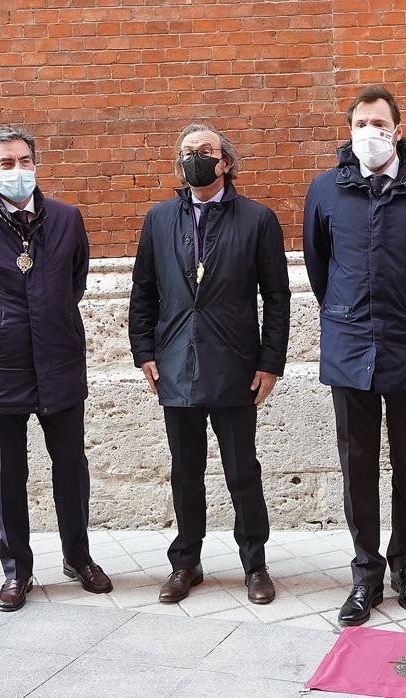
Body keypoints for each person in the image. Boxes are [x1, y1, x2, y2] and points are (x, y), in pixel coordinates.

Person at [303, 85, 406, 627]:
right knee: (357, 466)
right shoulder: (326, 190)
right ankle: (365, 572)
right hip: (349, 346)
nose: (371, 132)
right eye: (361, 123)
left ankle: (405, 565)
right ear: (350, 132)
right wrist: (349, 313)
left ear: (398, 128)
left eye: (379, 123)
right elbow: (319, 269)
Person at [0, 125, 111, 611]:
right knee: (5, 475)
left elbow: (72, 283)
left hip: (58, 363)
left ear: (36, 164)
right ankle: (18, 572)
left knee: (71, 470)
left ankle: (79, 557)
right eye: (7, 164)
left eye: (25, 161)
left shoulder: (67, 219)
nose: (18, 171)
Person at [129, 123, 290, 605]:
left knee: (242, 469)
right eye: (186, 152)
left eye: (205, 151)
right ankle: (186, 563)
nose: (194, 158)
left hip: (236, 363)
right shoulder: (158, 220)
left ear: (225, 162)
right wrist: (144, 351)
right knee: (185, 470)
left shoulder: (257, 219)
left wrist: (270, 361)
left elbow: (277, 297)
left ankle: (255, 563)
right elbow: (143, 291)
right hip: (176, 362)